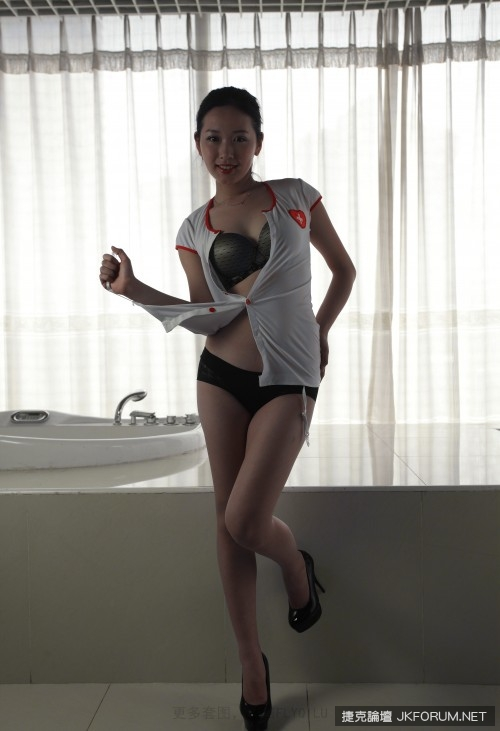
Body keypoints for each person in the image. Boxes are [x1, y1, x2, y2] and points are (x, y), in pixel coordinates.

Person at [99, 86, 356, 731]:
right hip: (219, 377)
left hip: (288, 379)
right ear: (198, 145)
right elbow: (203, 314)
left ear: (258, 143)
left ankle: (297, 569)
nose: (226, 150)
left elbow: (344, 271)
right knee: (225, 518)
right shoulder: (193, 229)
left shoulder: (296, 197)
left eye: (240, 137)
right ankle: (251, 665)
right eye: (213, 137)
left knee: (245, 519)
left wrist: (321, 329)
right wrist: (133, 289)